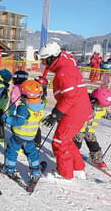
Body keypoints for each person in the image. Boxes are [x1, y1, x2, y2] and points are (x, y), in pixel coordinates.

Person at [39, 42, 93, 180]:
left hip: (74, 110)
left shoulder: (64, 73)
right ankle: (78, 168)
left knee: (59, 141)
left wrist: (55, 114)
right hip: (79, 108)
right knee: (67, 140)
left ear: (51, 58)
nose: (43, 63)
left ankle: (65, 174)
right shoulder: (64, 60)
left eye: (44, 60)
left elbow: (70, 97)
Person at [1, 80, 45, 181]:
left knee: (12, 150)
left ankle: (9, 168)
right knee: (32, 152)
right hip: (31, 135)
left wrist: (7, 119)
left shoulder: (24, 107)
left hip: (19, 135)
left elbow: (19, 121)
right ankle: (35, 170)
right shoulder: (41, 105)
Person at [73, 87, 111, 168]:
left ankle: (97, 159)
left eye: (104, 105)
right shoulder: (85, 104)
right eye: (100, 104)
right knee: (76, 144)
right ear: (94, 99)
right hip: (78, 130)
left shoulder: (102, 110)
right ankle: (69, 155)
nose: (101, 107)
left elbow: (107, 114)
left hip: (90, 131)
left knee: (94, 146)